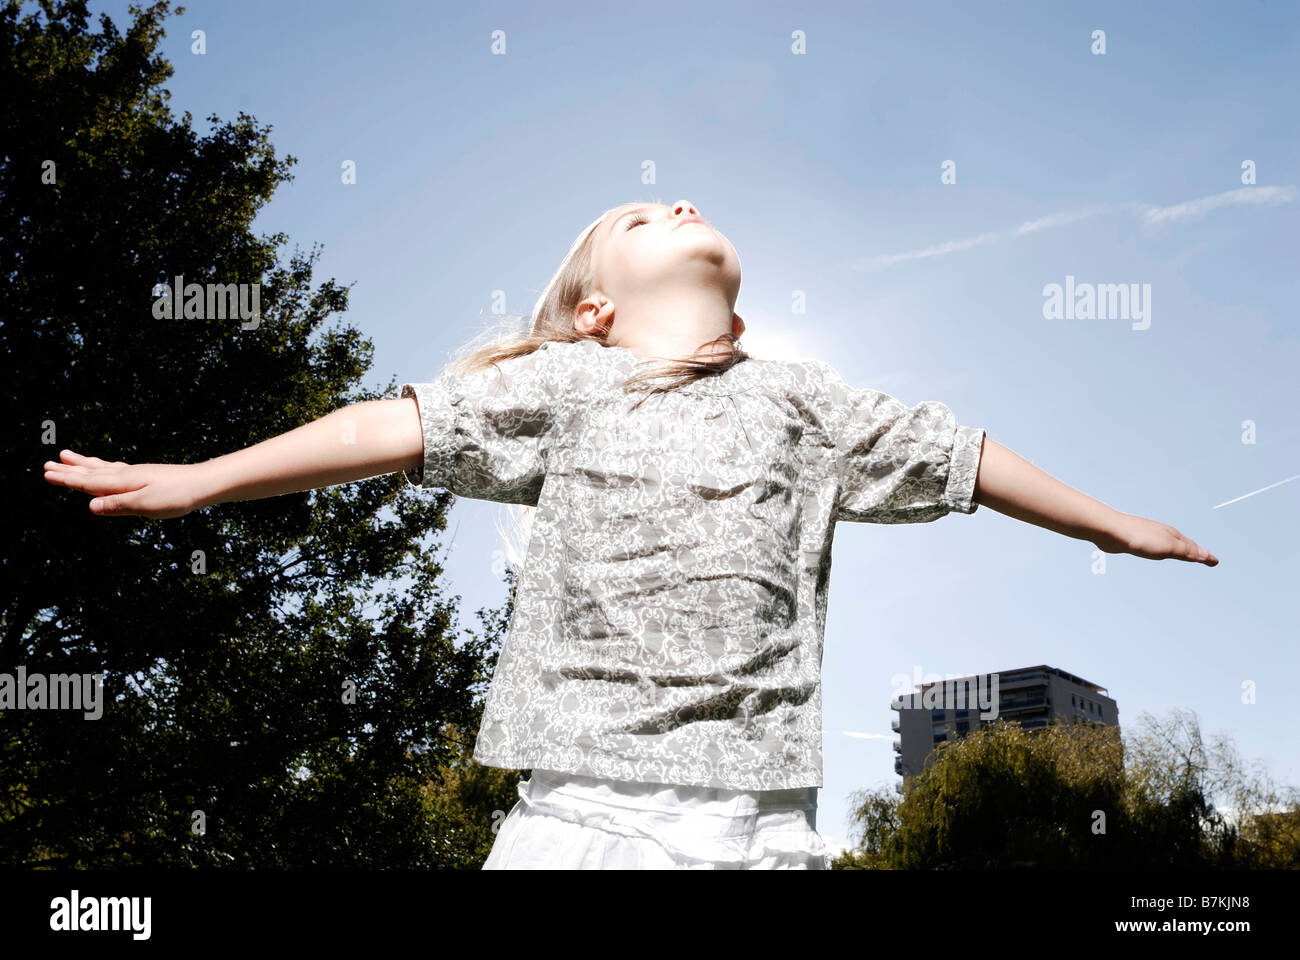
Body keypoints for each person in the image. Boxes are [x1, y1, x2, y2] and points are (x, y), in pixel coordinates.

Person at [42, 199, 1219, 870]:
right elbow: (385, 426)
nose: (680, 204)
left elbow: (958, 456)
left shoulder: (801, 398)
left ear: (740, 307)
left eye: (687, 205)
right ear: (594, 308)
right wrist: (201, 481)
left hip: (765, 825)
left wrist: (1108, 525)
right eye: (640, 214)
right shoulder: (568, 384)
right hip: (590, 815)